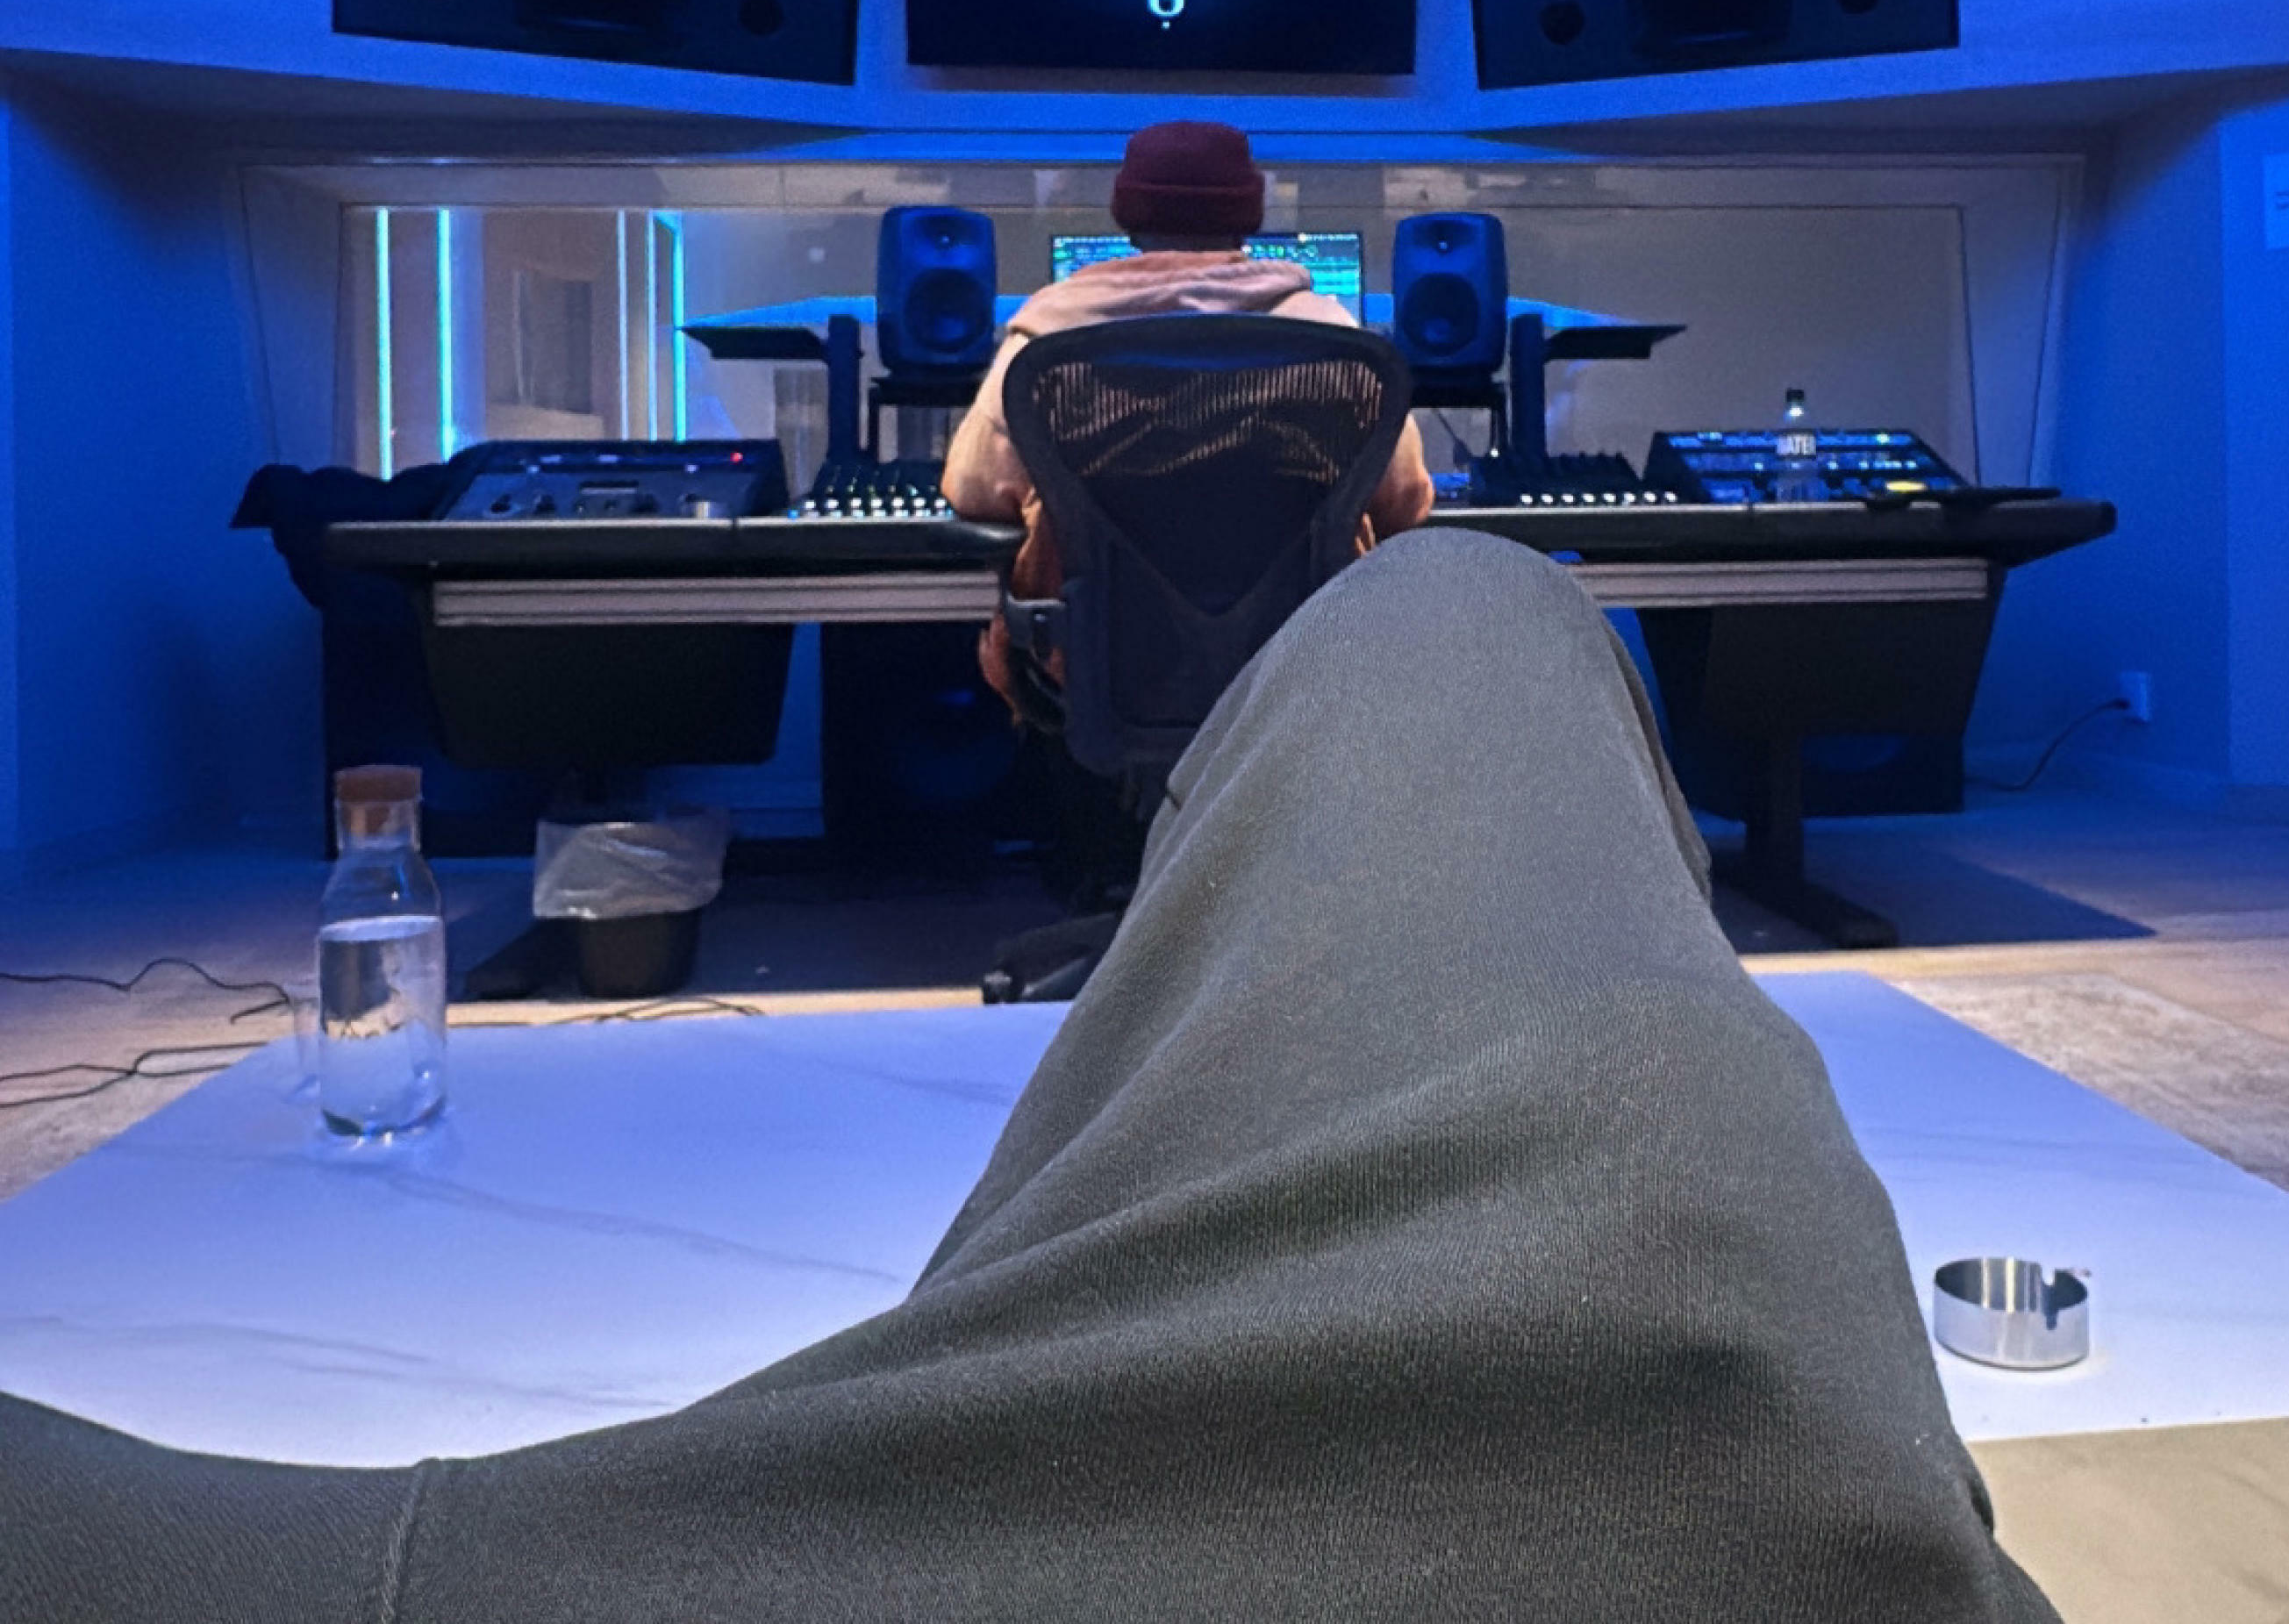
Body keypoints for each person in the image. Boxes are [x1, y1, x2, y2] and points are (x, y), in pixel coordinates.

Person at [0, 530, 2055, 1622]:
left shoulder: (1050, 334)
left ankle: (1109, 1162)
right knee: (1470, 597)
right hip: (1757, 1474)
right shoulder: (1344, 359)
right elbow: (1417, 513)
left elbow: (993, 508)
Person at [943, 119, 1434, 721]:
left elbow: (971, 492)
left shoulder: (1047, 339)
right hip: (1300, 678)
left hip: (1099, 677)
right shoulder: (1333, 339)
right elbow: (1406, 500)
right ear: (1248, 215)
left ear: (1127, 216)